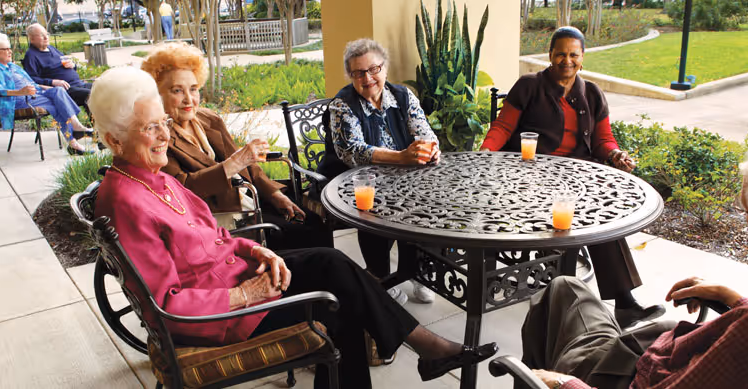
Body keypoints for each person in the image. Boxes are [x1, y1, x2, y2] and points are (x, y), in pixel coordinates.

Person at [88, 66, 498, 389]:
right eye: (150, 128)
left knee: (330, 261)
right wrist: (243, 293)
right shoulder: (126, 201)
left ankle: (425, 347)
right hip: (221, 315)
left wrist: (256, 251)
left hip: (236, 279)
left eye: (163, 122)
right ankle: (424, 346)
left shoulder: (152, 177)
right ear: (114, 139)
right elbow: (167, 305)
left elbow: (214, 235)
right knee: (338, 306)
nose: (164, 136)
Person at [517, 128, 748, 389]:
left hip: (628, 376)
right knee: (568, 292)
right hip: (663, 349)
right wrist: (733, 299)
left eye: (746, 211)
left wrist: (561, 383)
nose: (745, 217)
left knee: (561, 289)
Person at [479, 26, 660, 328]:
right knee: (558, 220)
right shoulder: (529, 86)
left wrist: (615, 155)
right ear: (549, 55)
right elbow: (503, 127)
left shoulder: (591, 93)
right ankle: (556, 298)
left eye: (573, 54)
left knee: (603, 218)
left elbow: (604, 140)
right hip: (530, 173)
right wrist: (486, 152)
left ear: (582, 58)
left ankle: (625, 303)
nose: (567, 60)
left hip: (578, 174)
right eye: (560, 53)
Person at [140, 42, 330, 249]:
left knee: (317, 220)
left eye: (193, 89)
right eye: (177, 90)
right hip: (224, 218)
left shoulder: (208, 119)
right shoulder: (159, 137)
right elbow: (183, 187)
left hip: (251, 197)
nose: (189, 99)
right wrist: (233, 163)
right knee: (308, 238)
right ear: (157, 94)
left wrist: (274, 195)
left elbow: (248, 165)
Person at [326, 38, 441, 305]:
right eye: (359, 73)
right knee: (373, 205)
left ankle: (417, 273)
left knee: (425, 199)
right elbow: (352, 152)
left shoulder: (402, 96)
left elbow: (424, 133)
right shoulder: (342, 105)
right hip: (356, 179)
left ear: (385, 69)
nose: (368, 78)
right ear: (351, 76)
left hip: (406, 177)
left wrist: (431, 149)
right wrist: (401, 157)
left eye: (374, 69)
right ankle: (381, 277)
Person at [0, 33, 93, 155]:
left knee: (58, 92)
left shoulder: (13, 67)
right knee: (57, 104)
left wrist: (48, 87)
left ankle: (74, 138)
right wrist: (20, 92)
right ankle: (75, 135)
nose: (10, 51)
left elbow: (33, 83)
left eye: (9, 48)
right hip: (17, 101)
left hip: (34, 95)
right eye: (5, 49)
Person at [22, 23, 92, 108]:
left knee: (104, 89)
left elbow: (66, 62)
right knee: (92, 95)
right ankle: (96, 120)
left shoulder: (52, 49)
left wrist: (73, 65)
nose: (46, 37)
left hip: (78, 84)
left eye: (46, 34)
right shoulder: (31, 56)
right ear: (32, 39)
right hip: (64, 90)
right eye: (41, 35)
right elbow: (31, 79)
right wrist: (52, 82)